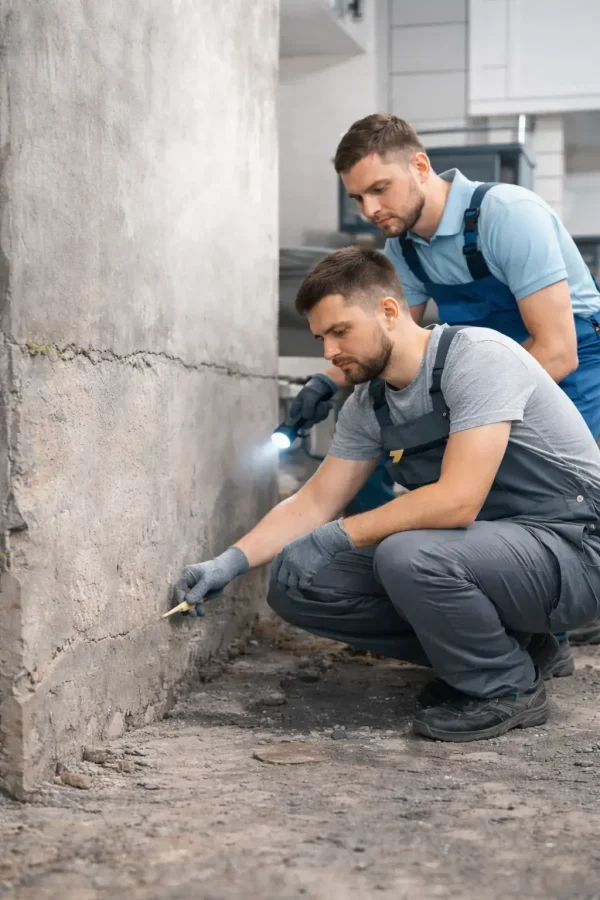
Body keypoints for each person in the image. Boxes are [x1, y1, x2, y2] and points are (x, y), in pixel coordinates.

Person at [174, 247, 600, 743]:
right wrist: (229, 562)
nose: (328, 352)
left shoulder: (478, 358)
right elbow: (315, 501)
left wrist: (341, 533)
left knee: (409, 554)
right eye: (321, 338)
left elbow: (457, 501)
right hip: (495, 555)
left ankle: (505, 686)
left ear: (390, 312)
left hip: (576, 549)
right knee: (297, 583)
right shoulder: (368, 406)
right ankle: (516, 650)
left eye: (340, 331)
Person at [290, 112, 600, 649]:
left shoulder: (508, 215)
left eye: (379, 190)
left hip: (573, 364)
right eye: (359, 199)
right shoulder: (404, 248)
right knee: (492, 510)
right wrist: (326, 383)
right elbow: (383, 333)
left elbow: (555, 349)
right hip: (491, 370)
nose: (370, 210)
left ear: (420, 165)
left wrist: (458, 420)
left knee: (565, 512)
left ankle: (567, 612)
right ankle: (527, 635)